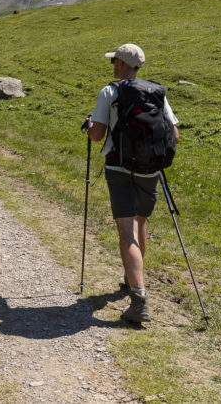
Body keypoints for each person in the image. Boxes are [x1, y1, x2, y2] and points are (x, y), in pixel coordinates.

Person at [87, 43, 179, 323]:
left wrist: (89, 124)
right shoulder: (156, 91)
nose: (112, 65)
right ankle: (131, 280)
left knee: (126, 232)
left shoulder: (110, 92)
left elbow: (97, 136)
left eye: (114, 60)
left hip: (119, 168)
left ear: (121, 64)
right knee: (142, 222)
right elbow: (174, 133)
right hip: (151, 170)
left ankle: (139, 299)